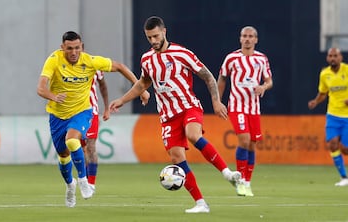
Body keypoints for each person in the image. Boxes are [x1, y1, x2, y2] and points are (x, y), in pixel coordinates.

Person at [109, 16, 242, 214]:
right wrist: (122, 100)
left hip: (188, 106)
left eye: (155, 36)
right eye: (149, 38)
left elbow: (207, 75)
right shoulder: (147, 59)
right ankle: (200, 203)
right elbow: (144, 83)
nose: (153, 41)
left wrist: (215, 101)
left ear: (164, 32)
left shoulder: (182, 53)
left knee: (193, 134)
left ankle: (227, 173)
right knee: (176, 157)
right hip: (167, 115)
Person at [37, 31, 149, 208]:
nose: (74, 52)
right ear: (62, 48)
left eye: (77, 48)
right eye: (69, 48)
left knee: (73, 141)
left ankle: (83, 180)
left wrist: (141, 89)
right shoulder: (54, 60)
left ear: (81, 47)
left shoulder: (90, 61)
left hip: (82, 111)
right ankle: (70, 185)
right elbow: (41, 88)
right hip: (57, 115)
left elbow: (119, 66)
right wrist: (53, 96)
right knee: (63, 155)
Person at [217, 26, 273, 197]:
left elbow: (269, 81)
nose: (247, 39)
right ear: (240, 39)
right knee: (244, 139)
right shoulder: (232, 58)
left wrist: (263, 86)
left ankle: (247, 182)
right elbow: (222, 78)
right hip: (236, 106)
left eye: (251, 36)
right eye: (244, 36)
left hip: (254, 108)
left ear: (256, 39)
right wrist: (217, 101)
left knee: (252, 144)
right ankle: (240, 180)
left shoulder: (261, 59)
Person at [308, 47, 348, 187]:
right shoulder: (325, 74)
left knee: (345, 149)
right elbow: (323, 93)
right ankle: (344, 177)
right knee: (332, 144)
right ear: (327, 58)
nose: (332, 58)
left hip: (347, 117)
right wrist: (315, 101)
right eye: (330, 56)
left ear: (340, 57)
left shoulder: (347, 70)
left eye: (335, 56)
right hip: (332, 115)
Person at [80, 70, 109, 193]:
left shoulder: (94, 66)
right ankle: (85, 179)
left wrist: (107, 108)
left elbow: (103, 85)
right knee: (79, 149)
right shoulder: (65, 66)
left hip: (92, 112)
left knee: (91, 147)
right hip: (73, 113)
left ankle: (91, 183)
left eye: (78, 48)